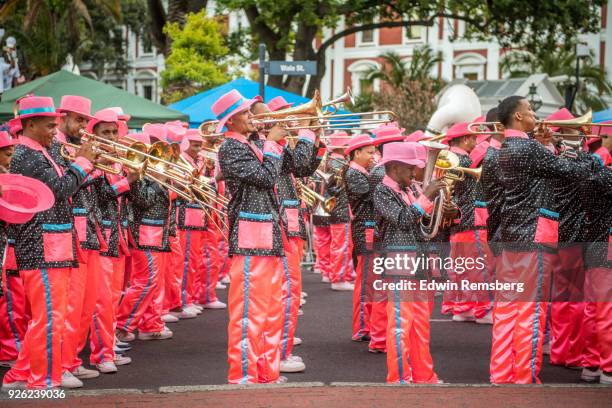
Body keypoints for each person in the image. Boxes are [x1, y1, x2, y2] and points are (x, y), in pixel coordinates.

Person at [490, 95, 591, 384]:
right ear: (518, 117)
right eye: (531, 110)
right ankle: (524, 377)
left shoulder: (505, 148)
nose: (536, 114)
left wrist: (546, 145)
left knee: (508, 309)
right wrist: (576, 149)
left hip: (511, 236)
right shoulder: (529, 147)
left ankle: (501, 374)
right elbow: (572, 172)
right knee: (531, 312)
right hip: (533, 236)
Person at [2, 96, 96, 390]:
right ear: (29, 124)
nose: (55, 132)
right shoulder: (25, 156)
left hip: (54, 244)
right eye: (49, 126)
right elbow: (57, 190)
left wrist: (82, 162)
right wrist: (82, 163)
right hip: (41, 246)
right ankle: (41, 382)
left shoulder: (41, 151)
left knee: (48, 316)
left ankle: (19, 374)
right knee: (49, 317)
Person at [215, 89, 286, 384]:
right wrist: (271, 142)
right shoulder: (230, 148)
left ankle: (266, 372)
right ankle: (243, 374)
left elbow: (297, 166)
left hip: (267, 231)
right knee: (249, 311)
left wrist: (309, 135)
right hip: (249, 234)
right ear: (231, 121)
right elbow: (266, 177)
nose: (253, 117)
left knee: (270, 310)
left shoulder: (254, 142)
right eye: (246, 113)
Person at [373, 141, 442, 384]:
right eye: (410, 168)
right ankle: (399, 378)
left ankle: (425, 376)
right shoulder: (382, 191)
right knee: (401, 324)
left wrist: (445, 210)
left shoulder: (409, 187)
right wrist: (426, 197)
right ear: (393, 167)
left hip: (418, 260)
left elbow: (421, 220)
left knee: (421, 325)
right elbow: (403, 219)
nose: (415, 173)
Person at [343, 134, 378, 346]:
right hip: (363, 230)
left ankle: (371, 324)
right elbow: (370, 192)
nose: (373, 156)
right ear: (356, 153)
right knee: (365, 282)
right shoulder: (354, 173)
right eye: (369, 152)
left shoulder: (362, 171)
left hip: (370, 229)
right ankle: (362, 327)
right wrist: (380, 169)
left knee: (372, 280)